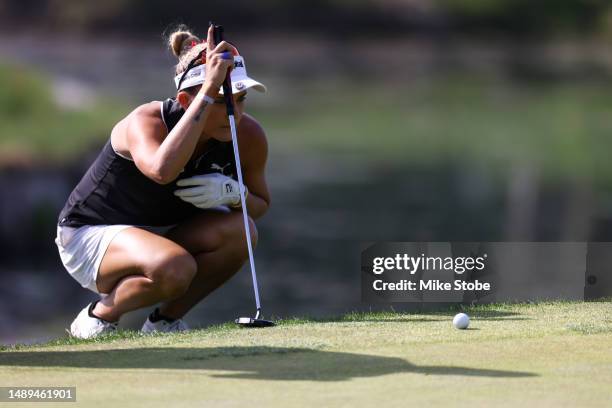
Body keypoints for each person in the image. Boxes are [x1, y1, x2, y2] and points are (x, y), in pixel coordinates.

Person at [54, 24, 270, 339]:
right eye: (221, 99)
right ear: (186, 100)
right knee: (176, 267)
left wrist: (233, 193)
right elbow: (162, 171)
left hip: (165, 238)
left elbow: (260, 205)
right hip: (88, 235)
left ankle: (163, 322)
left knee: (242, 231)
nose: (233, 112)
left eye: (240, 99)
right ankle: (99, 316)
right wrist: (209, 88)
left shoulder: (247, 135)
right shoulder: (147, 121)